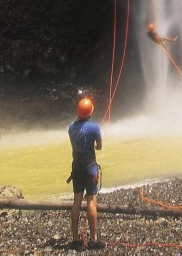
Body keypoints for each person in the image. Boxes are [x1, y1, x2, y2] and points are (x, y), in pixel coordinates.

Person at [68, 97, 105, 250]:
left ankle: (76, 238)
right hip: (90, 167)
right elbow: (99, 146)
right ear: (90, 112)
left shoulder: (70, 127)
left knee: (77, 200)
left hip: (76, 166)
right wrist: (95, 146)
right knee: (91, 201)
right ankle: (93, 239)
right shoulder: (95, 127)